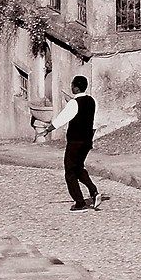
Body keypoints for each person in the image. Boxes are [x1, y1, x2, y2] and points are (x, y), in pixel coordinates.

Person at [38, 75, 101, 210]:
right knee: (78, 168)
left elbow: (62, 119)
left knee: (70, 171)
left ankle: (79, 202)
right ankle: (93, 191)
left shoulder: (74, 104)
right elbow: (91, 119)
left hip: (75, 141)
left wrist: (47, 130)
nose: (71, 86)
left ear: (76, 87)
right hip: (86, 141)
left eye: (72, 85)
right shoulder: (91, 101)